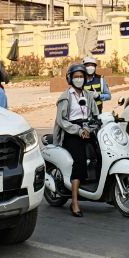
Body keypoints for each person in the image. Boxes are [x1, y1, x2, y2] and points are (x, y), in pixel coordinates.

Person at [53, 63, 99, 217]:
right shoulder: (65, 97)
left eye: (81, 76)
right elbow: (62, 121)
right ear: (70, 79)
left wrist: (89, 129)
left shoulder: (89, 96)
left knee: (99, 155)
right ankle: (74, 202)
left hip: (87, 130)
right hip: (71, 133)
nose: (79, 79)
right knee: (79, 161)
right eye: (76, 77)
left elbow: (95, 115)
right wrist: (78, 131)